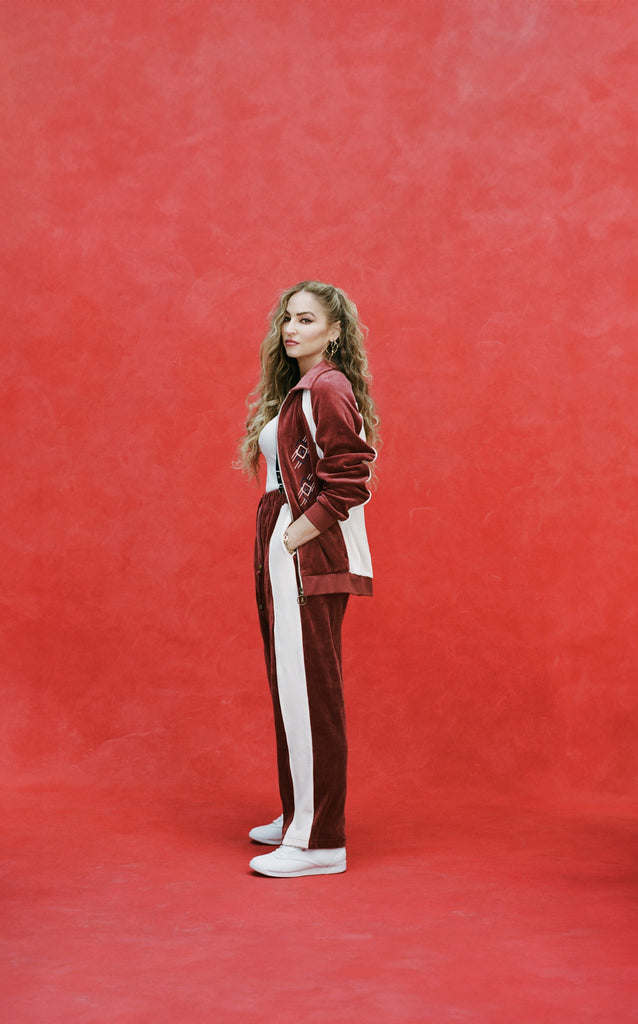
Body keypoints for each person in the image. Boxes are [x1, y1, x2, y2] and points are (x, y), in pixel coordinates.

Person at [238, 281, 380, 877]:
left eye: (307, 319)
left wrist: (300, 532)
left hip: (302, 545)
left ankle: (321, 841)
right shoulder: (302, 388)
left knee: (311, 686)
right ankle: (300, 811)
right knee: (287, 682)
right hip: (280, 532)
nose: (291, 329)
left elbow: (349, 473)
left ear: (334, 330)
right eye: (287, 319)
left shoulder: (327, 385)